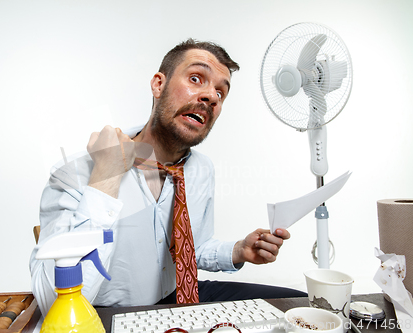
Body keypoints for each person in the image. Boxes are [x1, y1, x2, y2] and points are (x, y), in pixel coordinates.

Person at [30, 39, 306, 315]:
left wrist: (239, 250)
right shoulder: (73, 175)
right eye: (196, 78)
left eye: (221, 93)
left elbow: (191, 247)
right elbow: (53, 303)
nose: (211, 96)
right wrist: (105, 178)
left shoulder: (201, 169)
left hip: (180, 295)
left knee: (297, 306)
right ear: (158, 85)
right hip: (105, 312)